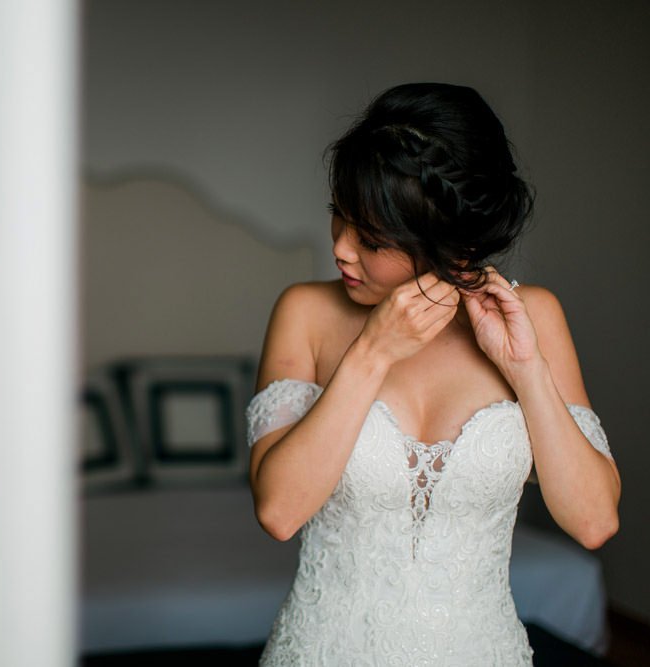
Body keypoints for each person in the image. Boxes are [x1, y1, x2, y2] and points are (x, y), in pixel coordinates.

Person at [247, 83, 620, 665]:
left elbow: (595, 521)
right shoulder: (306, 313)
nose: (342, 249)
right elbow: (278, 512)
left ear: (448, 241)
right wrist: (371, 354)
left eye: (370, 239)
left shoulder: (535, 316)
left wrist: (527, 371)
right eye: (336, 218)